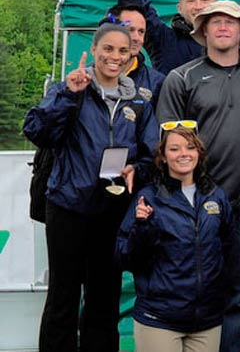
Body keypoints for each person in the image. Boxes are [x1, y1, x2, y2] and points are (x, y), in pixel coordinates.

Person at [26, 24, 158, 352]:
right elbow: (37, 131)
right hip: (68, 205)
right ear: (95, 50)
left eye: (122, 51)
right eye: (108, 49)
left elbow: (150, 153)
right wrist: (69, 95)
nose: (115, 57)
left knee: (105, 295)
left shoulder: (140, 101)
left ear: (132, 56)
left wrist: (135, 168)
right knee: (64, 295)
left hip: (111, 209)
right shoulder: (71, 87)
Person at [156, 0, 240, 352]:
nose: (223, 27)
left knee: (239, 287)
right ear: (203, 31)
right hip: (196, 199)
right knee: (197, 283)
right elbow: (167, 141)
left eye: (230, 22)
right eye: (215, 22)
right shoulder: (182, 77)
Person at [116, 127, 233, 352]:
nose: (184, 154)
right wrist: (143, 227)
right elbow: (125, 257)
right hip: (160, 319)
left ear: (199, 153)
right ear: (163, 156)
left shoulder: (216, 196)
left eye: (190, 147)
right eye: (174, 148)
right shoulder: (148, 198)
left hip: (206, 320)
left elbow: (227, 247)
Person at [100, 4, 167, 99]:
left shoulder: (156, 82)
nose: (136, 38)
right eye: (130, 30)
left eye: (141, 32)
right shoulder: (86, 78)